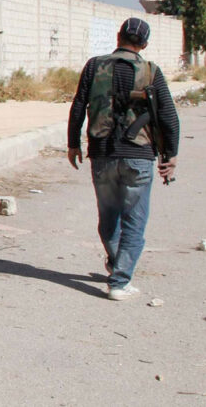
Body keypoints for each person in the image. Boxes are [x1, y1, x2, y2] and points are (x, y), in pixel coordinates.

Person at [67, 18, 178, 301]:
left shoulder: (94, 65)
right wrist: (171, 155)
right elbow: (167, 116)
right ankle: (120, 280)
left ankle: (117, 265)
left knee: (109, 218)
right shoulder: (151, 71)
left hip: (102, 153)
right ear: (144, 44)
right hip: (138, 155)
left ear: (118, 37)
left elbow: (79, 103)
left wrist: (73, 143)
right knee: (134, 222)